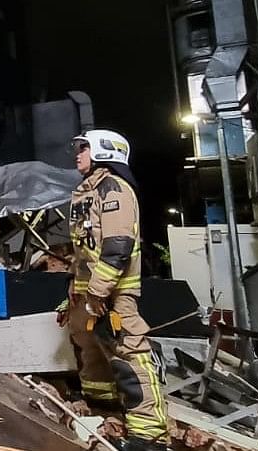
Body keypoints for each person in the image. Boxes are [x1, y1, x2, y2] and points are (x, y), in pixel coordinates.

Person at [57, 129, 169, 451]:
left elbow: (117, 247)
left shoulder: (114, 190)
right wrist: (72, 297)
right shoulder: (85, 193)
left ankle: (149, 434)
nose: (77, 153)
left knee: (129, 354)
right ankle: (104, 407)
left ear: (105, 152)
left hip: (114, 296)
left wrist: (98, 292)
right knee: (88, 348)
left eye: (84, 148)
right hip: (89, 294)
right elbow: (83, 253)